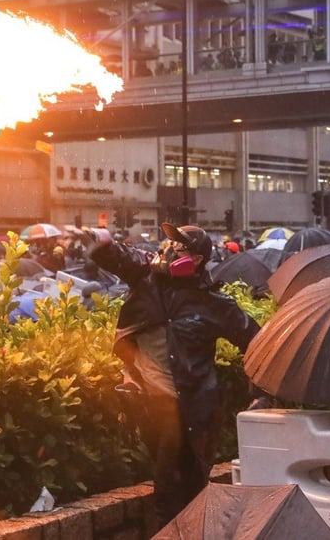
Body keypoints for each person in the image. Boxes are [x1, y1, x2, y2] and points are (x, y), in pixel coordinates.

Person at [80, 222, 262, 527]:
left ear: (197, 260)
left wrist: (262, 393)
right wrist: (102, 242)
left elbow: (257, 343)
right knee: (184, 490)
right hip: (148, 405)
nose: (170, 249)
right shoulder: (147, 278)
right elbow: (121, 258)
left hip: (188, 410)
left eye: (180, 247)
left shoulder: (214, 304)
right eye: (170, 245)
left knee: (169, 492)